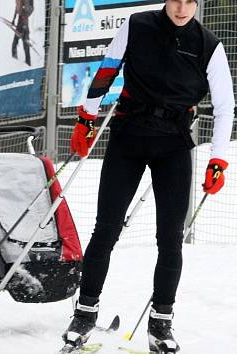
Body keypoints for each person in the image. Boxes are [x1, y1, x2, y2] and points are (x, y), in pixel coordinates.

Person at [62, 0, 235, 352]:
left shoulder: (208, 45)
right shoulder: (137, 24)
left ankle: (161, 323)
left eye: (190, 1)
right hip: (129, 135)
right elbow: (108, 69)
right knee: (106, 228)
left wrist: (218, 159)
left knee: (170, 238)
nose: (182, 8)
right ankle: (85, 312)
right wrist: (86, 117)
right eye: (177, 0)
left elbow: (224, 105)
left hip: (174, 144)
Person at [11, 0, 34, 65]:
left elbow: (31, 8)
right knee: (16, 41)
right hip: (21, 19)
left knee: (24, 43)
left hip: (24, 19)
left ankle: (27, 61)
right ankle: (15, 57)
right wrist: (14, 19)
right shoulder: (20, 2)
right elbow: (17, 8)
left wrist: (26, 15)